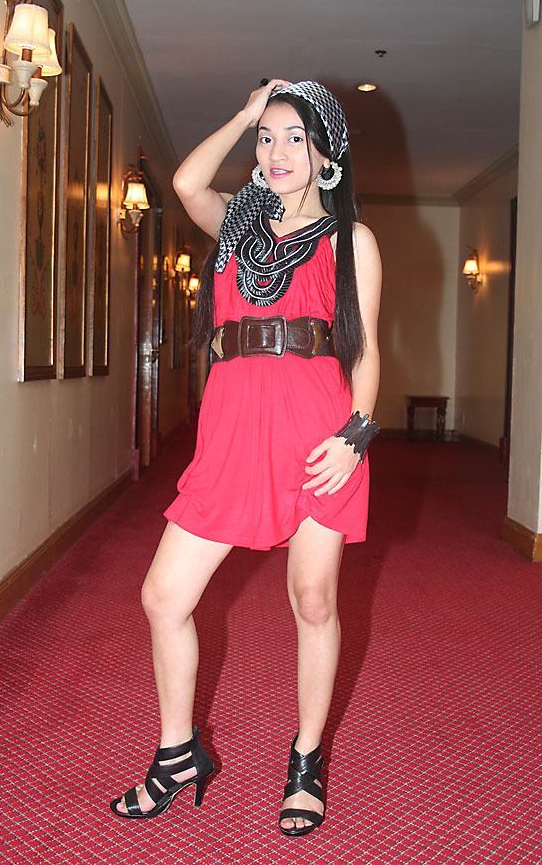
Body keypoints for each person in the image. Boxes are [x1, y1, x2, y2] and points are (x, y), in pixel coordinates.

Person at [110, 79, 382, 837]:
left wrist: (355, 435)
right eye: (268, 137)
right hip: (232, 431)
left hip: (319, 431)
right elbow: (185, 183)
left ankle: (306, 759)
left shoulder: (349, 240)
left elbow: (365, 350)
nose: (278, 150)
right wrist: (242, 112)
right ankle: (178, 755)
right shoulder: (235, 222)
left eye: (296, 137)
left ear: (326, 153)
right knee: (164, 597)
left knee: (314, 599)